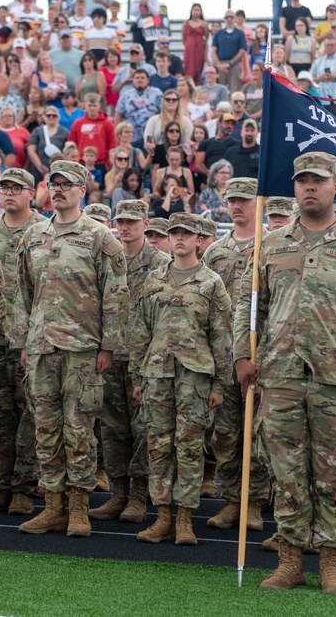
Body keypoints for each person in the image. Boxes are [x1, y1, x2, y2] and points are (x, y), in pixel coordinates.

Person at [239, 153, 336, 595]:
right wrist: (241, 356)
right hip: (281, 374)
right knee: (285, 471)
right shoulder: (270, 245)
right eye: (302, 180)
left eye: (318, 180)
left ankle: (331, 563)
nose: (309, 187)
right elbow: (250, 307)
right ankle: (290, 560)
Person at [13, 160, 128, 537]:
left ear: (83, 190)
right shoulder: (33, 236)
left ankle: (79, 508)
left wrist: (109, 345)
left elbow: (115, 295)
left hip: (83, 349)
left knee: (79, 429)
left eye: (67, 184)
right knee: (46, 429)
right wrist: (25, 342)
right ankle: (53, 505)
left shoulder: (100, 237)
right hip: (42, 347)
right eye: (53, 183)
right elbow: (23, 294)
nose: (59, 189)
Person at [127, 210, 224, 545]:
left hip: (194, 377)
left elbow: (221, 336)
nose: (179, 239)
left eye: (187, 234)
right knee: (158, 445)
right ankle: (163, 516)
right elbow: (140, 329)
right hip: (156, 374)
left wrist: (220, 384)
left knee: (190, 446)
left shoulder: (211, 282)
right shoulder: (153, 280)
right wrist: (137, 378)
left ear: (199, 240)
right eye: (174, 233)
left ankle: (185, 519)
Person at [89, 199, 171, 523]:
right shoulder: (108, 258)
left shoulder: (161, 263)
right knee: (111, 428)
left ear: (146, 224)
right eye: (120, 221)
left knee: (142, 428)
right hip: (111, 353)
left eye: (132, 222)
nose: (125, 227)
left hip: (144, 358)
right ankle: (118, 492)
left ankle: (139, 494)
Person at [0, 168, 44, 516]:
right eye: (4, 188)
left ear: (32, 193)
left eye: (17, 188)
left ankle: (25, 488)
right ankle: (0, 485)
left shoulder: (45, 231)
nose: (9, 193)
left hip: (31, 338)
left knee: (30, 414)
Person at [202, 177, 271, 531]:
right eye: (232, 200)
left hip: (261, 354)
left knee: (258, 434)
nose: (237, 206)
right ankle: (232, 500)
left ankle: (255, 503)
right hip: (225, 354)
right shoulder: (216, 251)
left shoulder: (270, 245)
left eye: (244, 199)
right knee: (226, 433)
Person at [211, 11, 246, 93]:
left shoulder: (240, 33)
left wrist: (229, 63)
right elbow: (213, 51)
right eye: (227, 17)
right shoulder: (218, 34)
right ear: (224, 19)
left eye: (231, 17)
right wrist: (219, 65)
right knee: (219, 90)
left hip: (234, 65)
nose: (229, 19)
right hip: (220, 64)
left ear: (235, 18)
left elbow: (242, 51)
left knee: (235, 90)